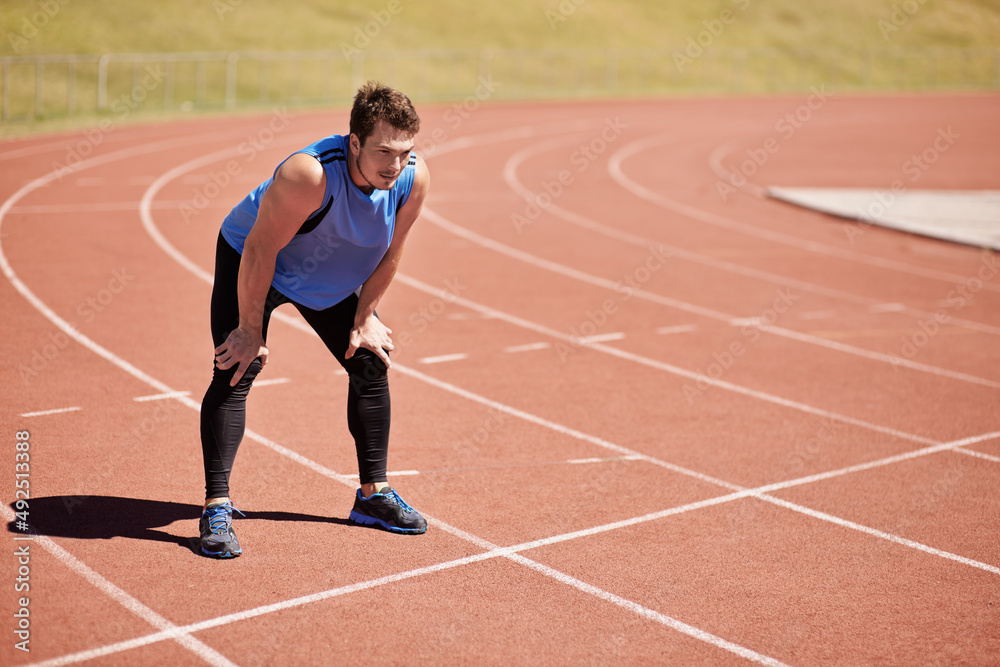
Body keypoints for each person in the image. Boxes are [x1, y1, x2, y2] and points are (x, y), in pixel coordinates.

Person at [198, 81, 430, 558]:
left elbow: (393, 250)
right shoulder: (308, 175)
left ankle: (373, 496)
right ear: (354, 144)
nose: (395, 164)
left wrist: (365, 317)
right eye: (383, 151)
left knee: (369, 360)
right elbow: (261, 250)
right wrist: (248, 330)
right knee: (237, 365)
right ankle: (216, 507)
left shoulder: (412, 178)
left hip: (325, 268)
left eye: (405, 152)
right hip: (259, 260)